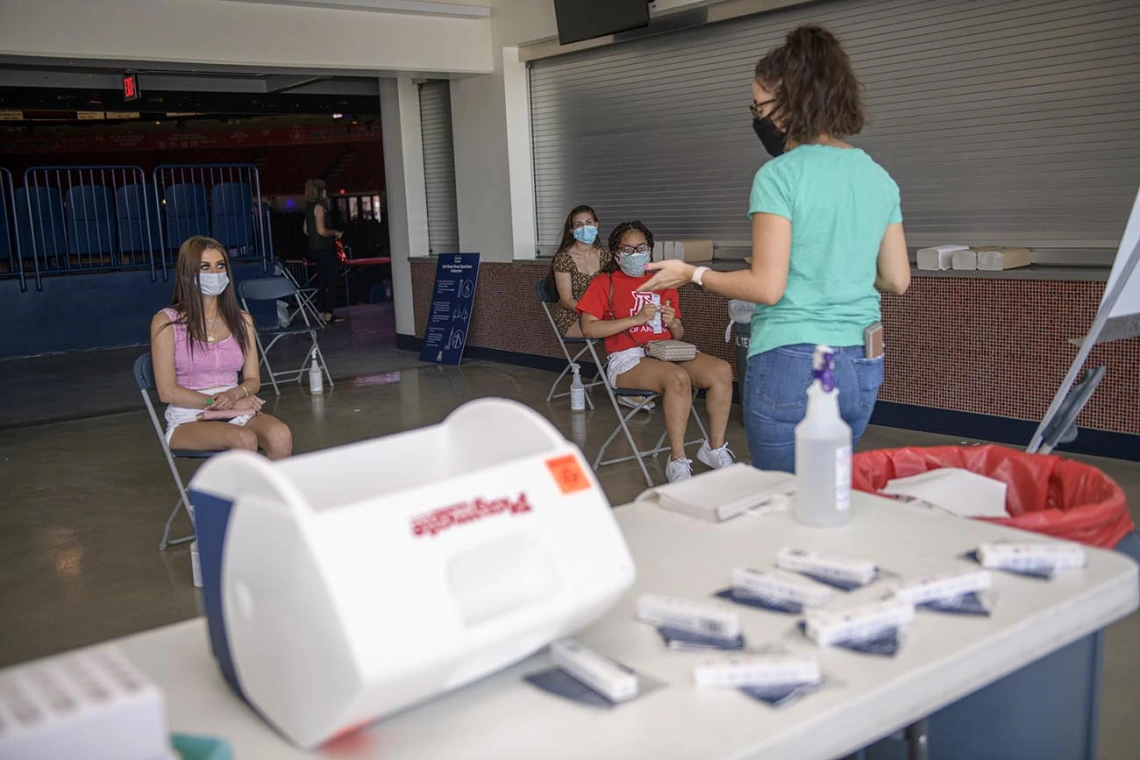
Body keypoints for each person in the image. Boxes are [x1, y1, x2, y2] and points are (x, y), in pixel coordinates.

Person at [641, 25, 911, 474]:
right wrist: (837, 267)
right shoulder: (877, 176)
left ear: (792, 103)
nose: (757, 117)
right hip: (862, 359)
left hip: (793, 357)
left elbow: (767, 286)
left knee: (781, 498)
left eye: (759, 106)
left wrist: (692, 274)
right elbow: (897, 279)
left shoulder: (780, 175)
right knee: (829, 489)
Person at [578, 221, 736, 483]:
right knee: (677, 379)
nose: (634, 254)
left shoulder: (663, 281)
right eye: (626, 249)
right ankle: (677, 460)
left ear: (650, 249)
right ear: (616, 254)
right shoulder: (604, 282)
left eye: (640, 247)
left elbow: (678, 334)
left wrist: (673, 321)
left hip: (665, 351)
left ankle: (714, 448)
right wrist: (635, 320)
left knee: (721, 370)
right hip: (627, 358)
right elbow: (588, 329)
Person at [150, 236, 293, 460]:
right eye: (205, 267)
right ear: (187, 275)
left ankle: (264, 495)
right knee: (243, 439)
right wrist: (218, 403)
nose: (214, 274)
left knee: (280, 434)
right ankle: (241, 495)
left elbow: (253, 379)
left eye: (220, 266)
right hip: (189, 416)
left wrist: (233, 396)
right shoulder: (166, 322)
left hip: (236, 410)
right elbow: (167, 392)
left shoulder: (242, 320)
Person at [550, 205, 613, 339]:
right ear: (572, 231)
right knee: (619, 330)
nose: (585, 228)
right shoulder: (564, 258)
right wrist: (592, 312)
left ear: (596, 225)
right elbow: (567, 299)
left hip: (605, 313)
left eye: (589, 222)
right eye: (579, 225)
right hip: (574, 316)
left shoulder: (606, 256)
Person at [302, 178, 344, 324]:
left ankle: (321, 312)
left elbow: (307, 230)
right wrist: (334, 233)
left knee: (322, 279)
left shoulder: (308, 207)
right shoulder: (320, 207)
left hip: (314, 248)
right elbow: (321, 231)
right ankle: (328, 312)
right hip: (324, 247)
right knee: (333, 279)